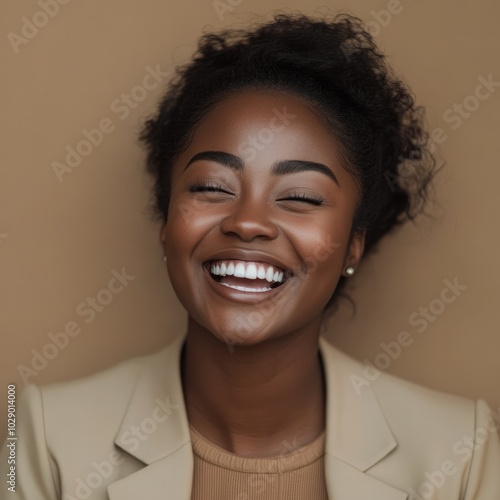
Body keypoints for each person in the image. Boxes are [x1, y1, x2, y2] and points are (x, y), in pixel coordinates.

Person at [2, 12, 499, 500]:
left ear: (353, 243)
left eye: (300, 197)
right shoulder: (40, 434)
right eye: (212, 187)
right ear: (167, 220)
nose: (247, 222)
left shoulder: (462, 452)